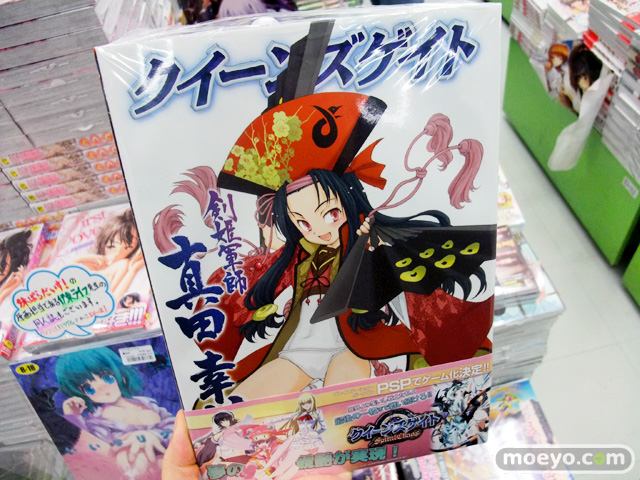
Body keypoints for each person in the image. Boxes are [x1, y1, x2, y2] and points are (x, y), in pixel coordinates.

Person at [56, 346, 175, 478]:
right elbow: (94, 452)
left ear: (121, 374)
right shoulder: (97, 421)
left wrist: (153, 435)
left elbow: (174, 426)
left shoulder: (147, 403)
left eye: (107, 377)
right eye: (88, 388)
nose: (101, 387)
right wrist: (73, 418)